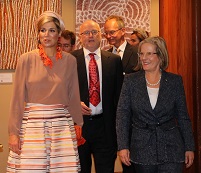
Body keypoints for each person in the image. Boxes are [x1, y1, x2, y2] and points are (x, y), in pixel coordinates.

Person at [7, 11, 83, 172]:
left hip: (61, 126)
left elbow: (73, 95)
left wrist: (78, 124)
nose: (46, 35)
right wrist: (13, 133)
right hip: (32, 127)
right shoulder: (26, 59)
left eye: (52, 30)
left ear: (59, 34)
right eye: (43, 30)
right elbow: (17, 98)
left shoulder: (70, 61)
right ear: (38, 33)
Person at [116, 36, 195, 173]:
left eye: (149, 53)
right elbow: (122, 116)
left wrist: (189, 147)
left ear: (160, 56)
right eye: (141, 53)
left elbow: (183, 117)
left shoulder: (174, 81)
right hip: (142, 149)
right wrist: (122, 146)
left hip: (172, 149)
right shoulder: (130, 81)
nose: (143, 58)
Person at [71, 19, 123, 173]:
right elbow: (62, 93)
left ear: (101, 35)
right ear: (80, 37)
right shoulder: (70, 60)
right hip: (80, 127)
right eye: (86, 33)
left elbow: (119, 98)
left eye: (94, 32)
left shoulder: (114, 61)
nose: (91, 35)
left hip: (105, 127)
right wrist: (74, 104)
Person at [104, 15, 138, 173]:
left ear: (123, 31)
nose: (109, 36)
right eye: (106, 33)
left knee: (132, 162)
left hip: (133, 118)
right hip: (111, 118)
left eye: (112, 32)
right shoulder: (105, 56)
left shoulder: (137, 53)